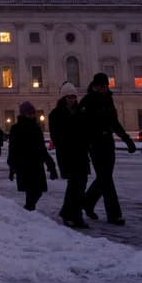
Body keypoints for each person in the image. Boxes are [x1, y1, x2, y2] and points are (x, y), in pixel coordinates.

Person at [79, 72, 137, 225]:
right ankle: (114, 214)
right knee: (106, 179)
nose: (104, 88)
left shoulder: (108, 99)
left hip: (108, 143)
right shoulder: (87, 101)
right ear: (95, 86)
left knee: (104, 178)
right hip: (95, 144)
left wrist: (127, 140)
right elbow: (81, 126)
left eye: (105, 86)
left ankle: (87, 202)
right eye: (101, 86)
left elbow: (114, 122)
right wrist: (86, 145)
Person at [48, 82, 91, 228]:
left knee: (81, 185)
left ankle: (72, 213)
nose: (72, 99)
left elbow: (86, 130)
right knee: (74, 185)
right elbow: (55, 135)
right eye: (69, 97)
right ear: (64, 98)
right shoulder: (56, 114)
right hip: (67, 155)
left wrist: (86, 144)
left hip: (81, 154)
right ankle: (72, 215)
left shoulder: (81, 112)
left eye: (73, 97)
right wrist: (63, 143)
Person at [7, 101, 58, 211]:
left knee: (38, 191)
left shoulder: (36, 128)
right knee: (31, 191)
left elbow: (42, 148)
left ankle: (28, 210)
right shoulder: (16, 128)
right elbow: (12, 149)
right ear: (23, 114)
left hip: (36, 164)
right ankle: (29, 211)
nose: (32, 115)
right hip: (24, 164)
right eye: (29, 113)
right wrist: (12, 167)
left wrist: (51, 165)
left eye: (33, 113)